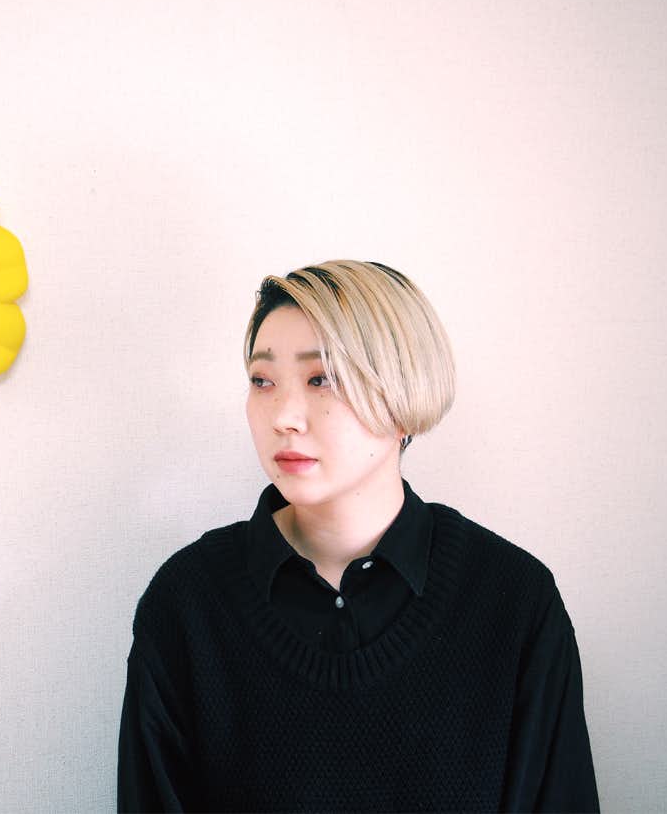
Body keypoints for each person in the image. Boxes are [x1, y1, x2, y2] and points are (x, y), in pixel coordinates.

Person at [117, 260, 598, 812]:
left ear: (403, 396)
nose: (284, 416)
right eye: (262, 381)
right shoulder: (187, 604)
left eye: (322, 379)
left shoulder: (512, 602)